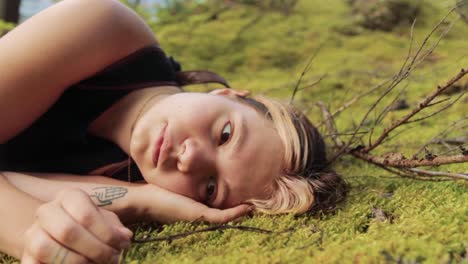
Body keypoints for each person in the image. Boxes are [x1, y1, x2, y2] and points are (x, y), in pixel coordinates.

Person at [0, 0, 348, 263]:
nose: (191, 159)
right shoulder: (103, 28)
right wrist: (26, 231)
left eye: (210, 187)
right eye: (225, 134)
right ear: (229, 94)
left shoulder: (138, 181)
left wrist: (142, 201)